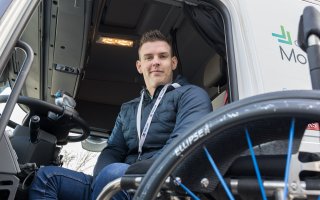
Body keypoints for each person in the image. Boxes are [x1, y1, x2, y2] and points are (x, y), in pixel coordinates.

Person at [29, 30, 212, 200]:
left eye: (162, 56)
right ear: (140, 66)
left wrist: (128, 172)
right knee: (48, 176)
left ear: (173, 63)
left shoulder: (191, 95)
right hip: (118, 181)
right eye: (148, 58)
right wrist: (100, 176)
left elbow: (184, 146)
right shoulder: (129, 108)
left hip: (161, 184)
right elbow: (113, 150)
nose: (155, 62)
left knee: (115, 174)